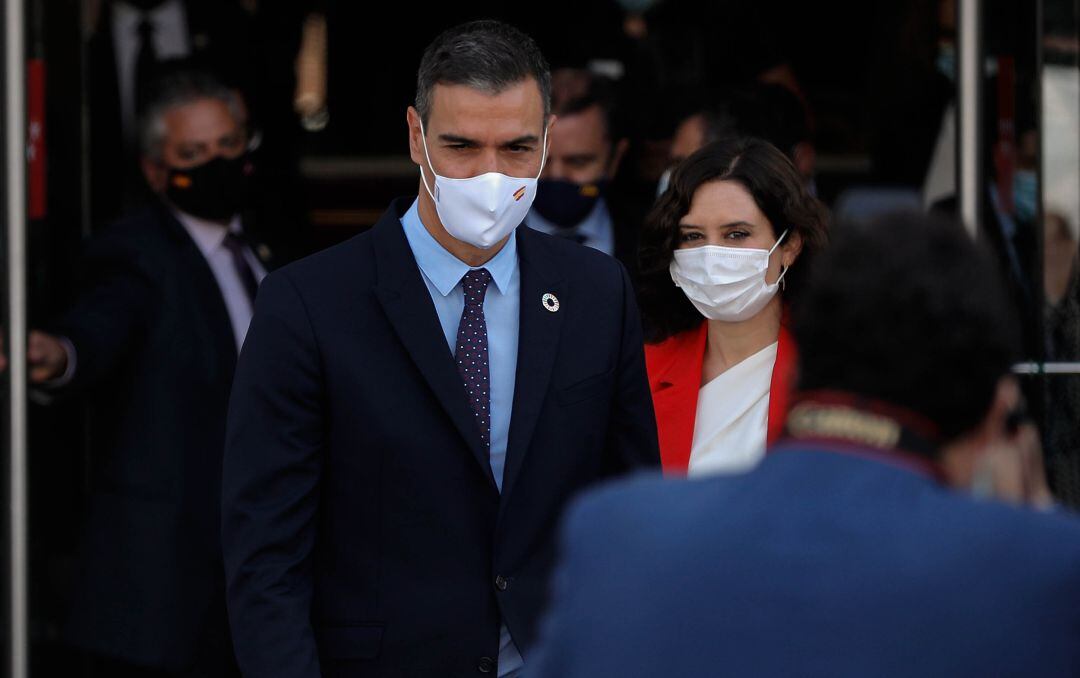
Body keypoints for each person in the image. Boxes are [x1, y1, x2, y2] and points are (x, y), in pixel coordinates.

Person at [221, 20, 659, 678]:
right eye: (460, 145)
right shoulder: (308, 305)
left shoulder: (597, 293)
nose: (488, 174)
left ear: (545, 145)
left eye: (515, 147)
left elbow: (631, 514)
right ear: (414, 136)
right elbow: (266, 558)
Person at [527, 211, 1080, 678]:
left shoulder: (614, 535)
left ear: (801, 362)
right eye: (693, 235)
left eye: (736, 233)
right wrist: (1029, 530)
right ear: (992, 413)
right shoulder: (1040, 570)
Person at [15, 71, 271, 676]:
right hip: (162, 596)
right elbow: (102, 325)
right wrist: (58, 353)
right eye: (192, 154)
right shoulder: (135, 254)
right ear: (156, 171)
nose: (216, 164)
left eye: (228, 147)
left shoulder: (259, 248)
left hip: (250, 581)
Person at [639, 137, 828, 475]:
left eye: (736, 234)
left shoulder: (829, 372)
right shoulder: (640, 371)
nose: (712, 255)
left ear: (790, 246)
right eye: (693, 236)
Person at [528, 69, 638, 271]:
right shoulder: (482, 239)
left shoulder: (650, 241)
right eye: (542, 159)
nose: (557, 175)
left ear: (615, 158)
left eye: (578, 162)